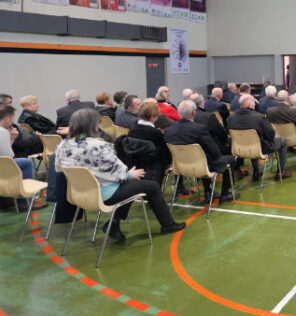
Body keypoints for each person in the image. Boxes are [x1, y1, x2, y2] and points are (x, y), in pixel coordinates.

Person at [56, 108, 184, 240]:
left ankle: (113, 225)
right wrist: (130, 174)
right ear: (94, 125)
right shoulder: (100, 146)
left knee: (132, 186)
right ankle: (168, 224)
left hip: (79, 193)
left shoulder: (62, 145)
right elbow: (119, 173)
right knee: (151, 186)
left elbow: (59, 169)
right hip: (105, 194)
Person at [164, 100, 241, 203]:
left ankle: (208, 191)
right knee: (229, 159)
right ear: (193, 113)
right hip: (201, 167)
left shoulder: (169, 131)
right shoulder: (200, 129)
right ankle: (225, 194)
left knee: (205, 157)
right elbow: (214, 151)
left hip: (180, 168)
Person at [227, 94, 292, 179]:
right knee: (282, 140)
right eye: (254, 102)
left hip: (238, 150)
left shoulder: (231, 118)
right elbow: (271, 134)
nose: (255, 104)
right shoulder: (258, 117)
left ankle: (256, 171)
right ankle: (281, 172)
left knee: (254, 140)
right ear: (250, 104)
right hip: (258, 149)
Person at [0, 105, 47, 210]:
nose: (13, 120)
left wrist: (12, 139)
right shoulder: (3, 132)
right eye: (12, 117)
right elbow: (9, 157)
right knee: (26, 162)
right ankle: (24, 202)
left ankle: (4, 200)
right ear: (7, 118)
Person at [115, 102, 171, 186]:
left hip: (133, 168)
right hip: (152, 172)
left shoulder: (132, 130)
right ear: (154, 117)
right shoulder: (155, 133)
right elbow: (166, 156)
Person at [267, 90, 296, 161]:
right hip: (294, 139)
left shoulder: (270, 111)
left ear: (277, 98)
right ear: (288, 98)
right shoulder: (295, 112)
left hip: (277, 139)